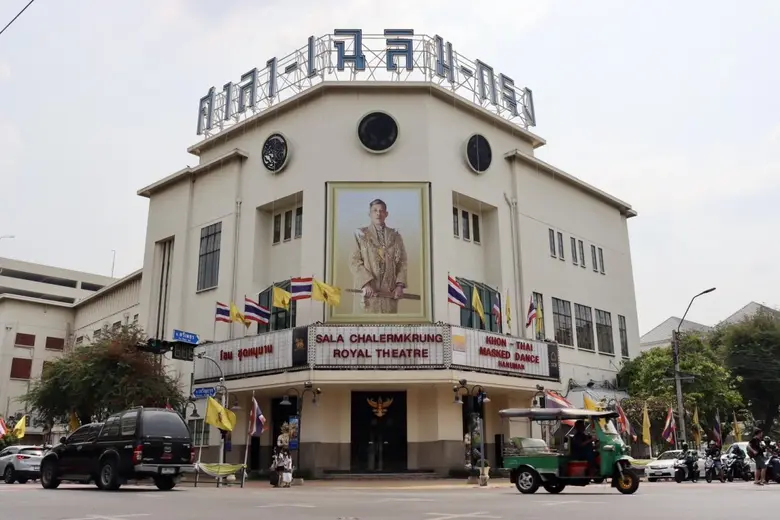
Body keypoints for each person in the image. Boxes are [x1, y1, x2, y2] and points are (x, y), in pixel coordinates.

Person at [349, 198, 408, 314]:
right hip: (368, 295)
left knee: (388, 331)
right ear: (369, 214)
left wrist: (399, 286)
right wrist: (365, 283)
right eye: (375, 210)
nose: (378, 213)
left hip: (389, 295)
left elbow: (402, 262)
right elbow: (354, 261)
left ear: (386, 214)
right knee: (365, 331)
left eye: (381, 211)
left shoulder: (395, 236)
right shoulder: (360, 234)